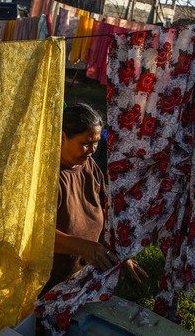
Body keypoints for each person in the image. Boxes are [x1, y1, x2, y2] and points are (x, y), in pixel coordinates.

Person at [41, 103, 148, 296]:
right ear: (63, 136)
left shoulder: (88, 166)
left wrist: (116, 253)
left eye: (96, 142)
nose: (92, 150)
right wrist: (84, 247)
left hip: (85, 275)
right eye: (86, 143)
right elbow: (36, 234)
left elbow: (105, 208)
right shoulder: (48, 178)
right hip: (50, 282)